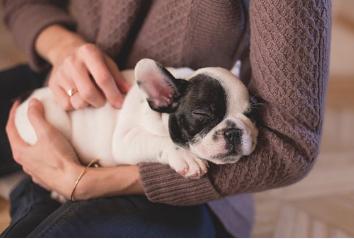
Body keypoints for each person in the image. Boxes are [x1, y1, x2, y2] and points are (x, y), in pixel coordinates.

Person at [0, 0, 331, 237]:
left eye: (247, 116)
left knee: (66, 230)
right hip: (68, 89)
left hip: (185, 192)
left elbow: (290, 145)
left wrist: (84, 183)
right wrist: (63, 47)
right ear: (160, 96)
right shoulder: (168, 95)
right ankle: (33, 195)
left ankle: (30, 197)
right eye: (206, 118)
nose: (230, 132)